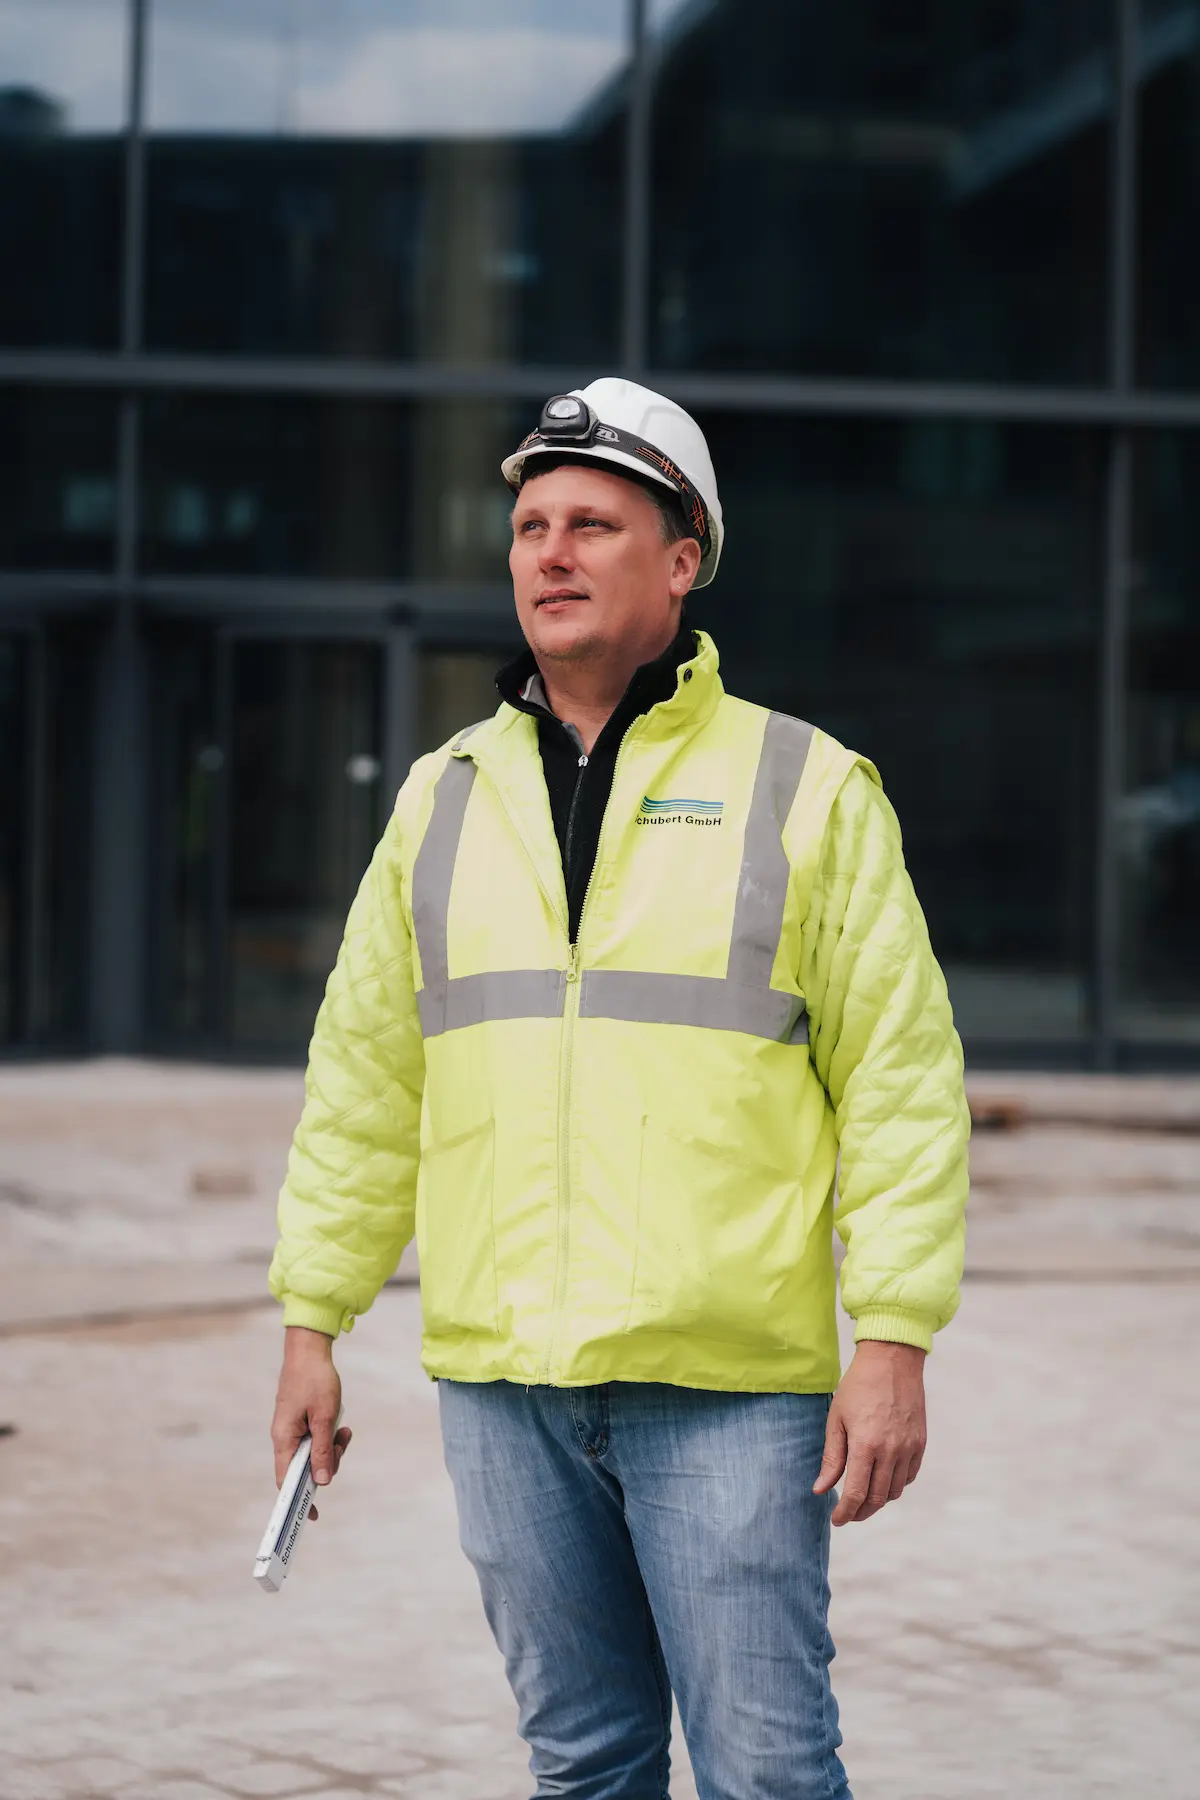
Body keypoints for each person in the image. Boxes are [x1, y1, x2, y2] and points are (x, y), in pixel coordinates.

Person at [268, 378, 970, 1799]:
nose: (552, 553)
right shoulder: (442, 798)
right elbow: (363, 1083)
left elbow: (901, 1078)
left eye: (593, 523)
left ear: (683, 558)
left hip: (728, 1390)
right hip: (503, 1384)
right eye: (531, 526)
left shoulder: (807, 787)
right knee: (582, 1766)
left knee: (768, 1772)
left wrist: (892, 1337)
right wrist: (312, 1320)